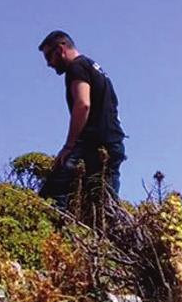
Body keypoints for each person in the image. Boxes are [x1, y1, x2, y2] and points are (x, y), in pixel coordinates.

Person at [37, 30, 126, 207]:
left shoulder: (77, 67)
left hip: (95, 144)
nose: (48, 64)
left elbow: (83, 104)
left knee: (54, 193)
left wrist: (69, 145)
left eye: (49, 56)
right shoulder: (94, 67)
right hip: (113, 143)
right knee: (99, 203)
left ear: (61, 49)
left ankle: (54, 232)